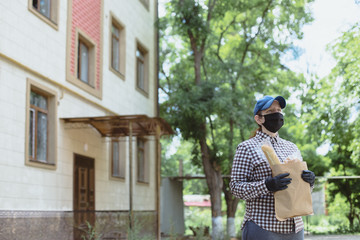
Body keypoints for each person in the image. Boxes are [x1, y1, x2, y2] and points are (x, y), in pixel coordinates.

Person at [230, 95, 315, 240]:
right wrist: (266, 185)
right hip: (263, 227)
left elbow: (299, 189)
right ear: (259, 119)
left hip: (295, 227)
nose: (277, 114)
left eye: (279, 110)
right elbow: (235, 187)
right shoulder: (246, 147)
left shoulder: (291, 147)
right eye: (270, 112)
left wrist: (309, 182)